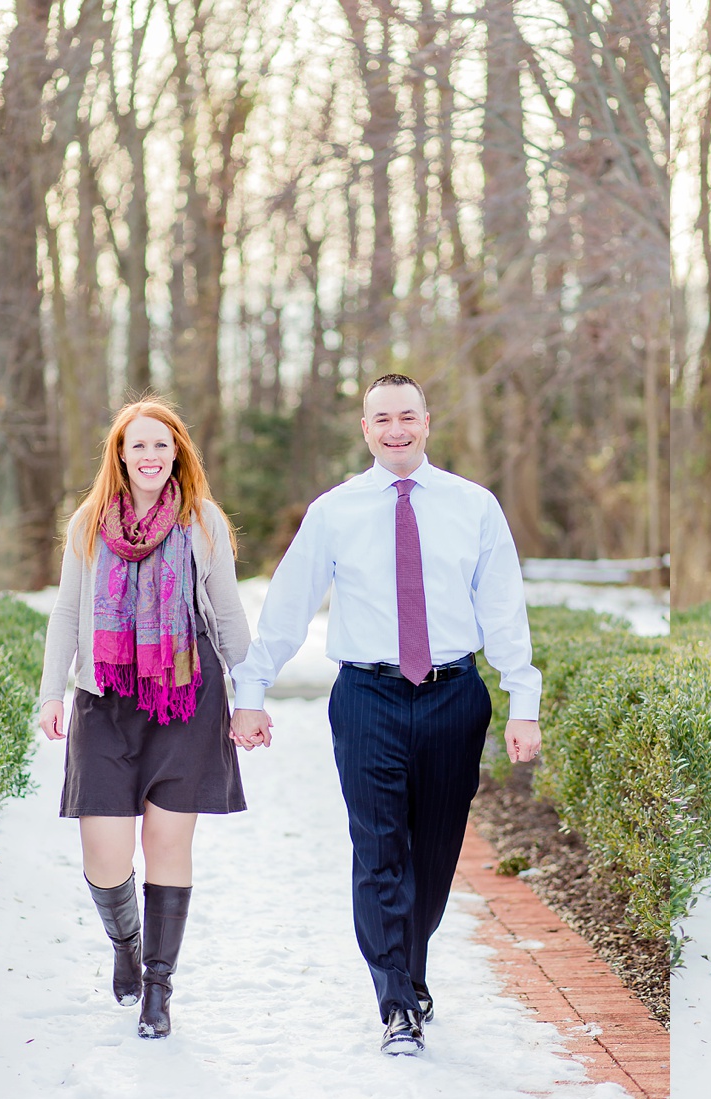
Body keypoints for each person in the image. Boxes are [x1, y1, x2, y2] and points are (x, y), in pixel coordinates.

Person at [229, 373, 542, 1057]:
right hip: (367, 697)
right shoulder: (335, 511)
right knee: (378, 853)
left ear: (427, 422)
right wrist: (250, 691)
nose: (396, 430)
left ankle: (411, 971)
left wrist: (524, 702)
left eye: (408, 417)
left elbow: (504, 611)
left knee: (431, 857)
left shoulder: (474, 507)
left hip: (455, 696)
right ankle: (396, 1002)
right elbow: (287, 607)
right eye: (382, 420)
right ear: (365, 430)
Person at [38, 398, 250, 1040]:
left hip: (185, 695)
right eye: (139, 446)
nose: (151, 456)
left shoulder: (202, 520)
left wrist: (252, 696)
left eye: (163, 445)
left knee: (167, 841)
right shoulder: (88, 523)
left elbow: (229, 614)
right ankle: (127, 944)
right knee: (104, 853)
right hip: (105, 697)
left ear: (178, 452)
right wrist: (53, 693)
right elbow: (68, 614)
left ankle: (158, 988)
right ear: (120, 455)